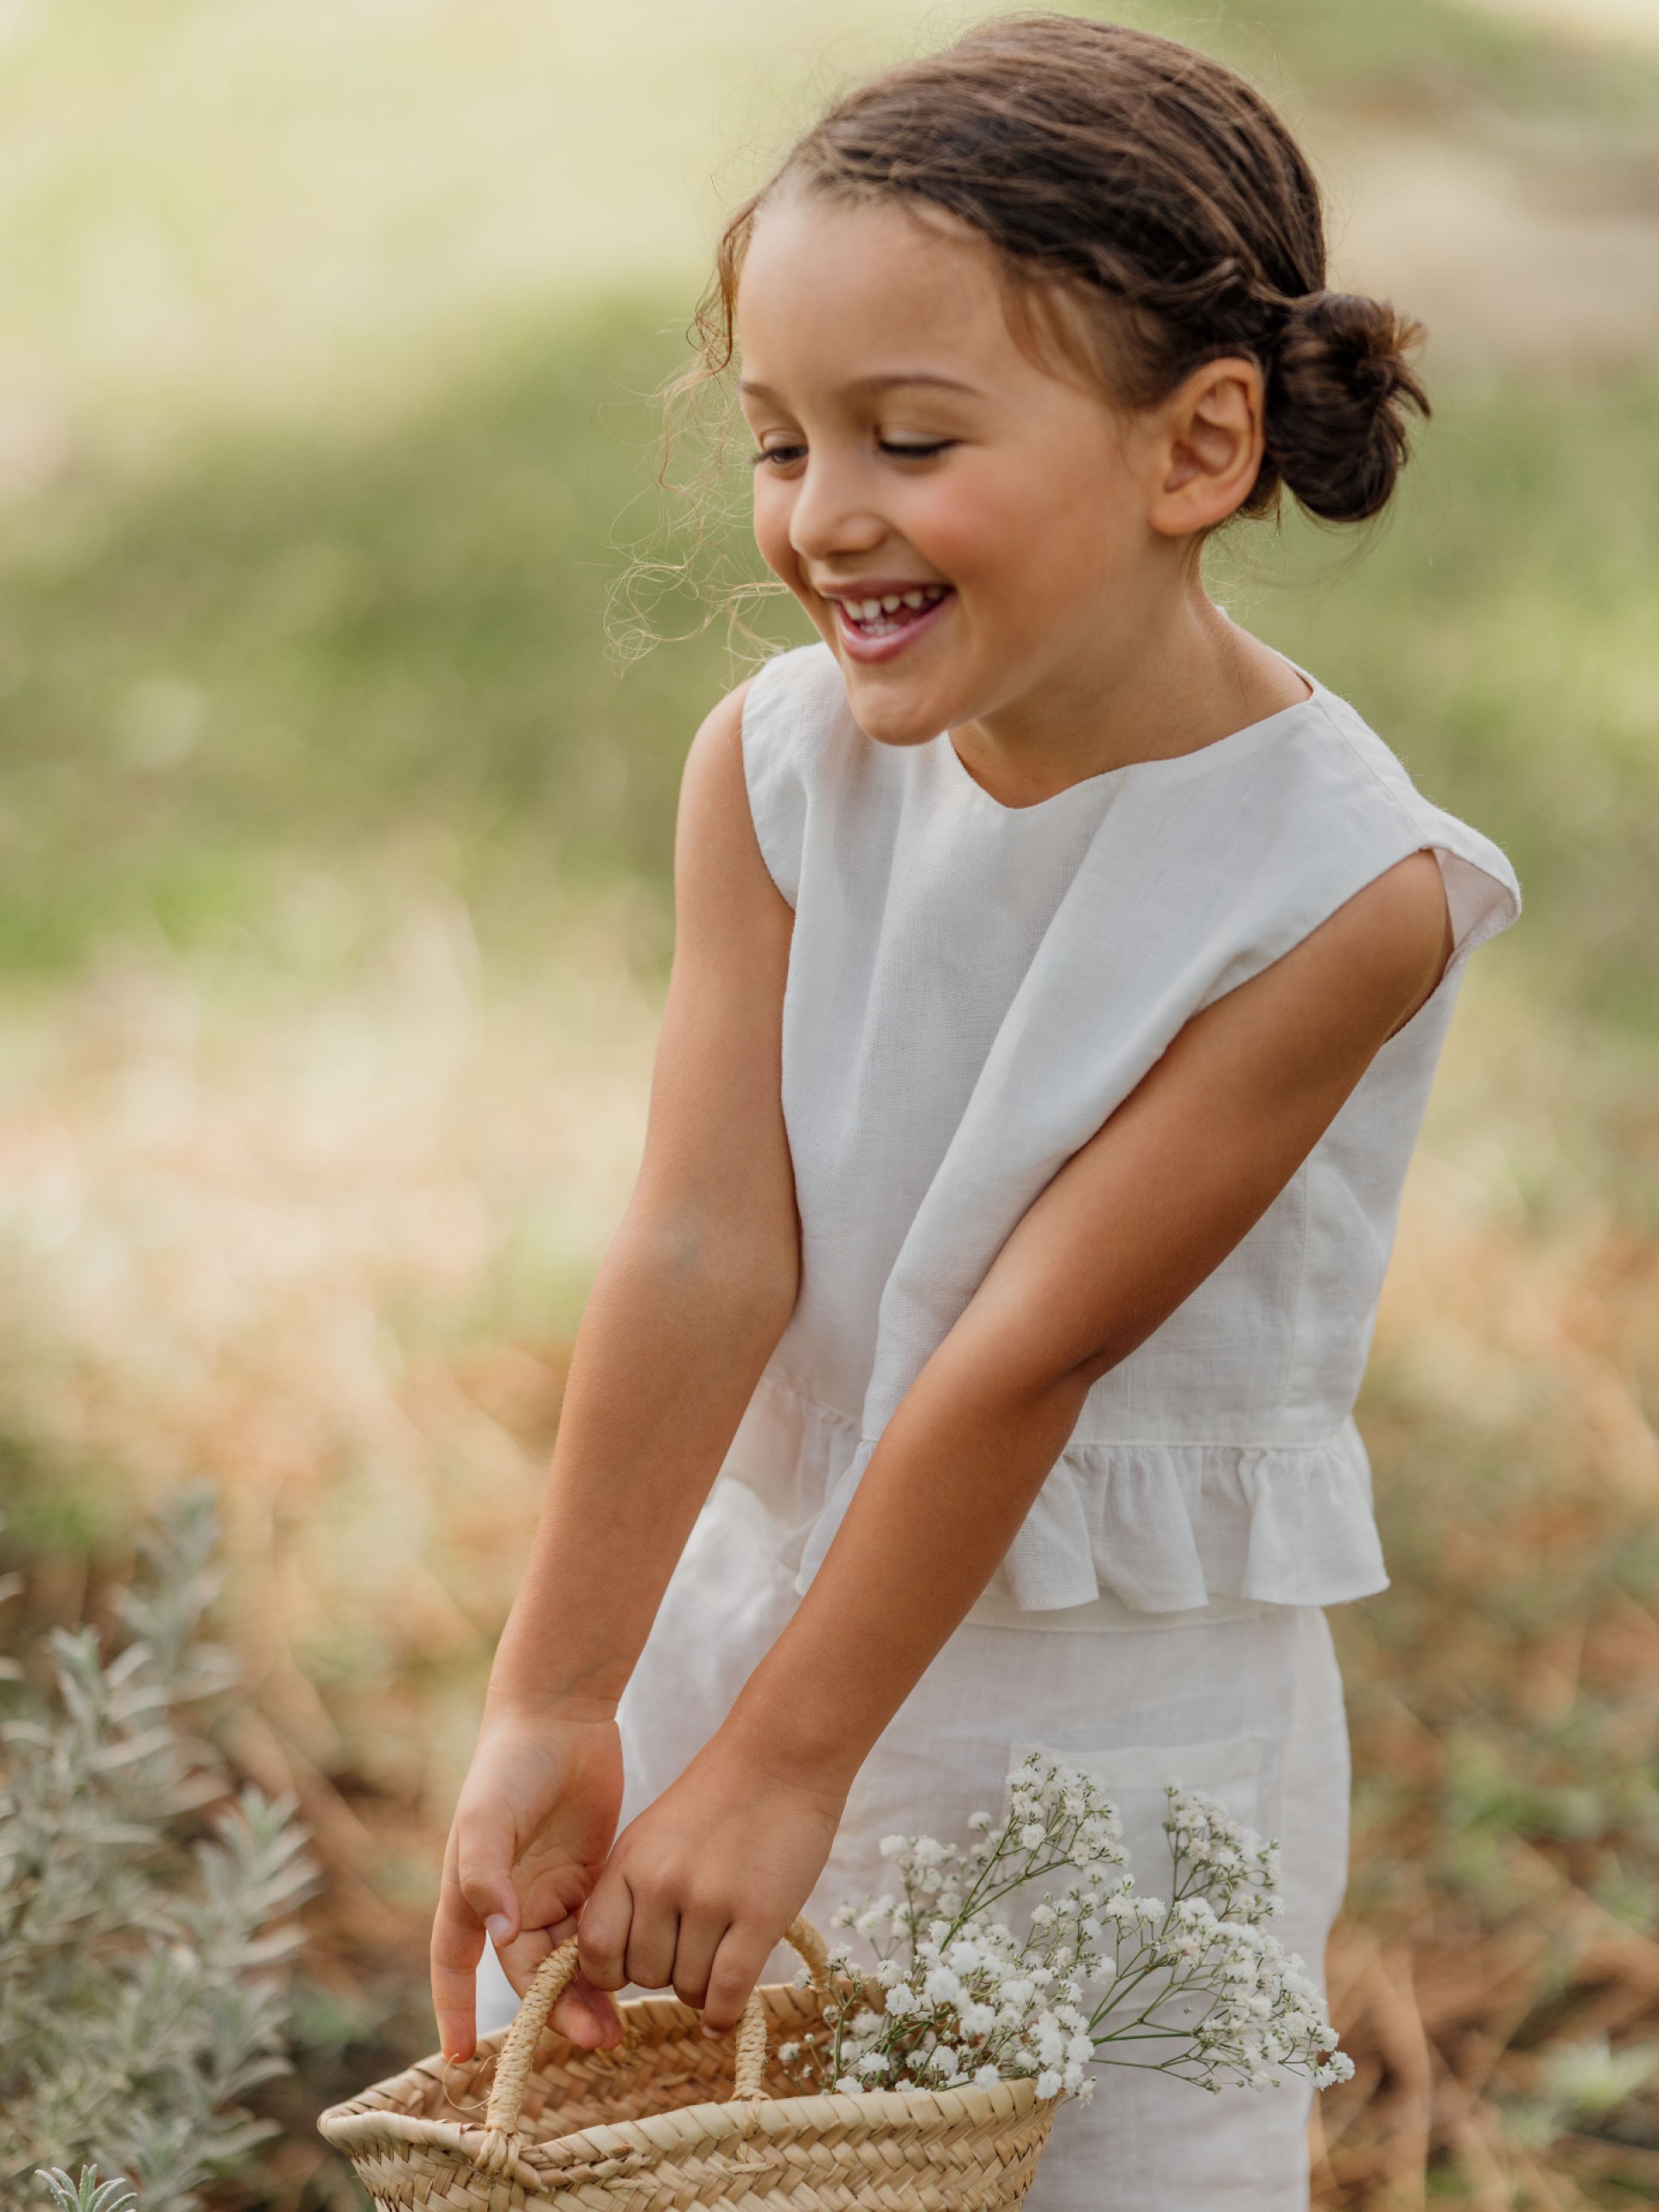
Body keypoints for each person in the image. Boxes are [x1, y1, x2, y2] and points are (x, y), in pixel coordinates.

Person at [429, 18, 1519, 2206]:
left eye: (909, 438)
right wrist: (565, 1694)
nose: (825, 516)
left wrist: (785, 1765)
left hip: (1108, 1732)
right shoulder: (775, 774)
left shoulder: (1340, 892)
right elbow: (702, 1242)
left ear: (1198, 446)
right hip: (768, 1623)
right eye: (776, 441)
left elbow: (1033, 1340)